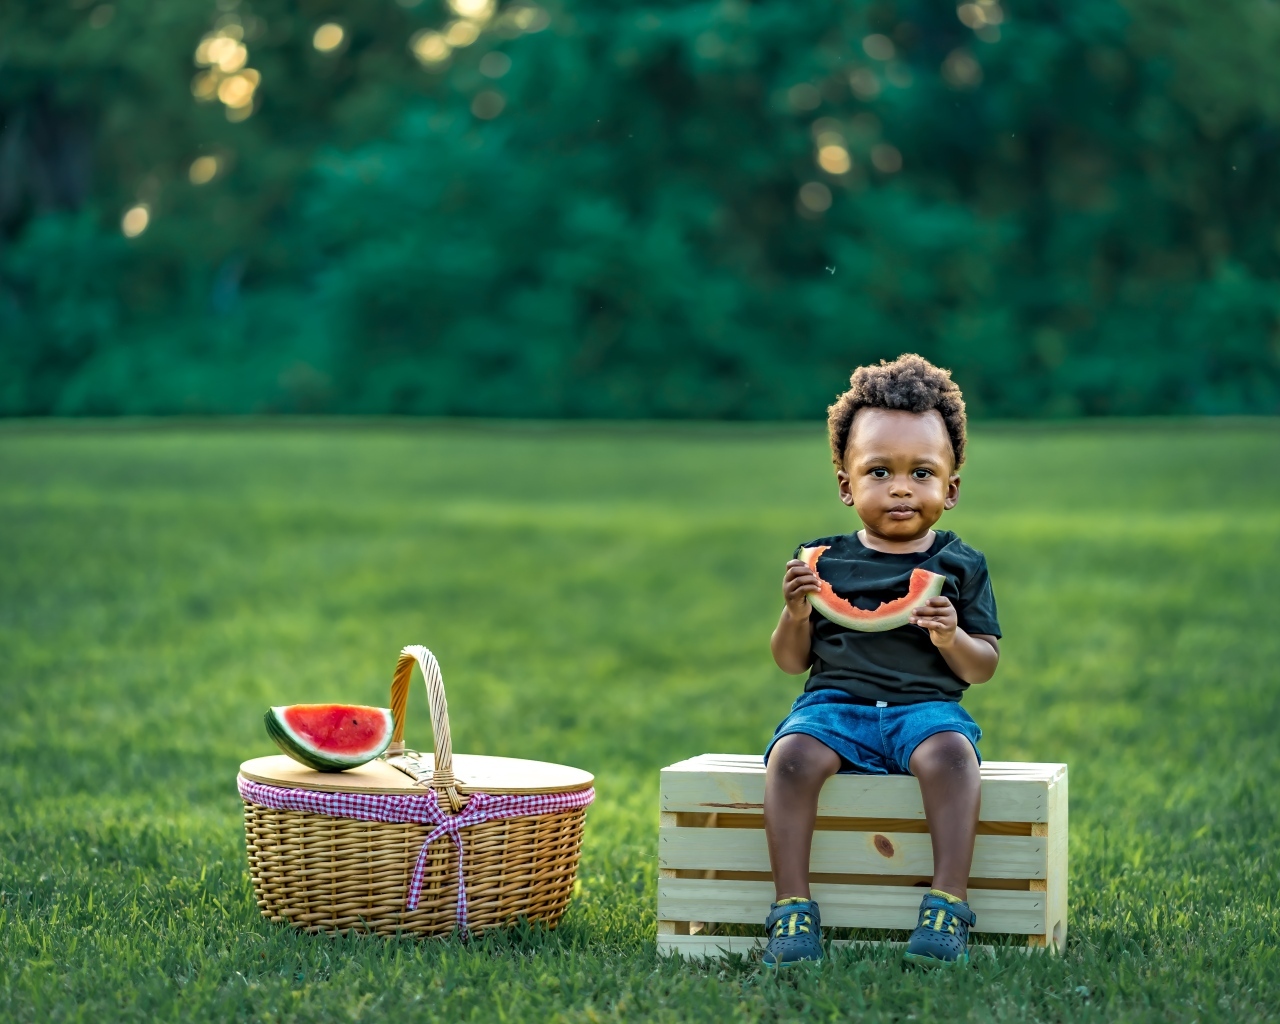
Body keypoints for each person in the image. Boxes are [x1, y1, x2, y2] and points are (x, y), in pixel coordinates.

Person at [761, 354, 1001, 969]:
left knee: (952, 756)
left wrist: (952, 638)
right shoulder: (820, 561)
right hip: (833, 707)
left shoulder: (960, 565)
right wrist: (794, 614)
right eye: (879, 472)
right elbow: (791, 663)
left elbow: (983, 666)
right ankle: (791, 908)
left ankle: (947, 902)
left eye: (921, 472)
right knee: (789, 758)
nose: (900, 487)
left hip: (925, 710)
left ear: (951, 489)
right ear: (847, 486)